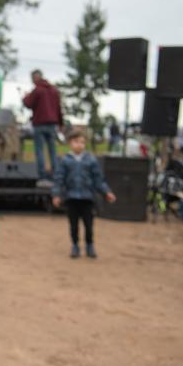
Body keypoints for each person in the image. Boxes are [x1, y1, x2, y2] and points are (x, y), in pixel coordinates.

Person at [52, 130, 116, 258]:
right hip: (71, 198)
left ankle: (89, 245)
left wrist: (106, 192)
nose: (79, 145)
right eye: (76, 142)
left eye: (82, 142)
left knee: (89, 224)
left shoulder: (91, 160)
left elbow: (98, 179)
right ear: (70, 143)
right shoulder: (65, 161)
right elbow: (59, 179)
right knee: (73, 225)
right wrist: (57, 194)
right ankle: (75, 245)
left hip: (87, 198)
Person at [22, 69, 63, 183]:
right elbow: (59, 109)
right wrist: (60, 123)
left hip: (39, 124)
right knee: (52, 150)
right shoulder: (54, 90)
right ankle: (55, 174)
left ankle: (42, 175)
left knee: (39, 150)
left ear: (35, 78)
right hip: (52, 124)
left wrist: (25, 97)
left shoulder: (37, 90)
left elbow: (28, 104)